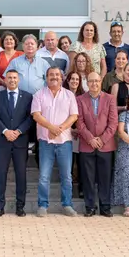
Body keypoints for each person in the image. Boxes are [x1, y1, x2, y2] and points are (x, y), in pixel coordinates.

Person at [30, 67, 79, 217]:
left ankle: (67, 204)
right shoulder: (39, 94)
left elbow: (74, 116)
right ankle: (43, 205)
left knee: (66, 176)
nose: (54, 77)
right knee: (44, 176)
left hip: (64, 141)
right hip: (46, 142)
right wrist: (51, 127)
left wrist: (60, 129)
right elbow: (36, 115)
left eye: (57, 75)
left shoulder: (69, 95)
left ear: (62, 77)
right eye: (51, 75)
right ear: (46, 77)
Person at [0, 69, 34, 217]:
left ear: (19, 80)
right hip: (3, 141)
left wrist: (18, 131)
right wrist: (5, 131)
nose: (12, 80)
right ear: (5, 80)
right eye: (9, 78)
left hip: (20, 141)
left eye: (15, 78)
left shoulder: (28, 97)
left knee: (21, 175)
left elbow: (30, 117)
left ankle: (20, 206)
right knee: (1, 174)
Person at [76, 71, 117, 218]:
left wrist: (102, 139)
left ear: (101, 82)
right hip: (87, 145)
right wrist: (90, 139)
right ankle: (90, 206)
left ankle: (105, 207)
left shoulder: (110, 99)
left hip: (105, 145)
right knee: (88, 178)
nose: (94, 84)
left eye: (97, 81)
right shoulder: (80, 99)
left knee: (105, 178)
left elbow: (113, 123)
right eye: (91, 81)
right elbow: (79, 123)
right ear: (87, 83)